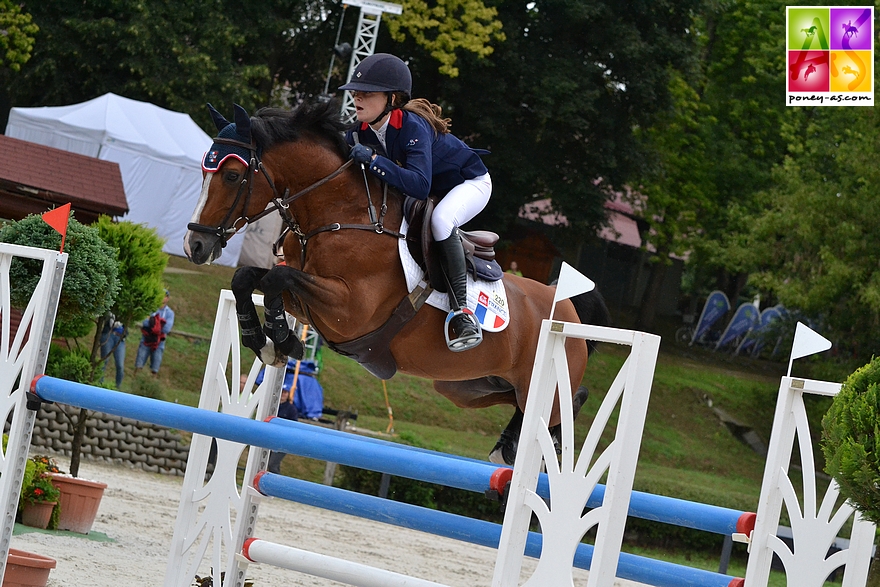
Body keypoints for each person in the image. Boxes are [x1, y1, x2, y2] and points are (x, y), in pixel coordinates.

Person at [339, 53, 491, 352]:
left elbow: (420, 186)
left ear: (392, 99)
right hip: (432, 189)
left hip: (468, 184)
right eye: (355, 93)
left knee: (441, 220)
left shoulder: (412, 127)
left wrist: (372, 160)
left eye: (366, 94)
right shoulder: (359, 130)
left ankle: (462, 313)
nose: (357, 99)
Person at [134, 289, 175, 376]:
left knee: (155, 369)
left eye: (165, 296)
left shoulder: (170, 313)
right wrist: (159, 323)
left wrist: (153, 322)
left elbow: (167, 328)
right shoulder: (151, 308)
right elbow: (144, 322)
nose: (162, 298)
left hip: (159, 342)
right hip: (146, 340)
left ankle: (151, 384)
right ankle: (135, 381)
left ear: (168, 298)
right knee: (139, 365)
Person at [99, 312, 127, 389]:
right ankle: (99, 384)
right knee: (104, 360)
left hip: (120, 338)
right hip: (109, 334)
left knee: (120, 365)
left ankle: (117, 387)